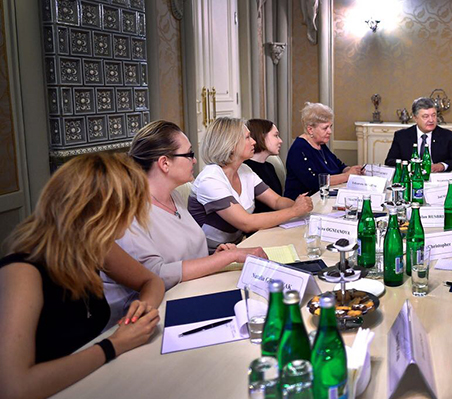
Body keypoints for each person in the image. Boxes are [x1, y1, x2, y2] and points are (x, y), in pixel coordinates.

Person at [0, 154, 164, 399]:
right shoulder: (22, 271)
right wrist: (114, 345)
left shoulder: (90, 244)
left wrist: (143, 308)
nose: (129, 223)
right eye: (127, 212)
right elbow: (13, 393)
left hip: (91, 388)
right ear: (101, 213)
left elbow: (151, 280)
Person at [102, 121, 267, 329]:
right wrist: (229, 256)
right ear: (164, 163)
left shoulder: (174, 197)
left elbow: (185, 256)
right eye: (189, 155)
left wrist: (215, 258)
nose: (195, 160)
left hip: (191, 295)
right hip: (151, 317)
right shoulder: (130, 212)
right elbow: (155, 275)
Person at [189, 117, 313, 253]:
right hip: (209, 256)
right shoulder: (210, 179)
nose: (254, 141)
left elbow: (276, 201)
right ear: (231, 144)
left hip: (236, 248)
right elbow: (247, 223)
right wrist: (294, 211)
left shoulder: (244, 170)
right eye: (247, 137)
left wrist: (302, 205)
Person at [284, 103, 363, 198]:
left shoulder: (320, 144)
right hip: (303, 203)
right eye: (325, 128)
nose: (330, 131)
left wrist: (353, 170)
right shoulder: (299, 149)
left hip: (324, 197)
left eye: (330, 127)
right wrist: (347, 175)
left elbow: (339, 166)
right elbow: (315, 182)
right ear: (310, 130)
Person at [384, 97, 452, 171]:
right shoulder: (402, 136)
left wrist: (442, 166)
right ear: (415, 118)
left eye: (433, 115)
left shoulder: (447, 136)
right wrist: (404, 165)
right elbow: (389, 161)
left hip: (437, 180)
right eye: (425, 116)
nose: (431, 120)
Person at [244, 119, 284, 214]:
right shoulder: (246, 169)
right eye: (276, 135)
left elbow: (277, 201)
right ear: (261, 137)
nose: (280, 141)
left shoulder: (270, 167)